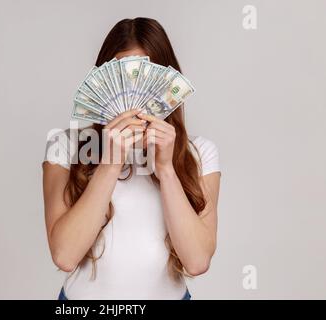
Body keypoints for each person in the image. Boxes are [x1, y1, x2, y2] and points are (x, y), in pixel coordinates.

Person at [42, 17, 221, 300]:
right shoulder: (65, 146)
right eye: (122, 76)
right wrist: (110, 164)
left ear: (167, 84)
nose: (133, 98)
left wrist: (166, 170)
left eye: (144, 77)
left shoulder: (199, 153)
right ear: (104, 82)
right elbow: (64, 255)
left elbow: (197, 261)